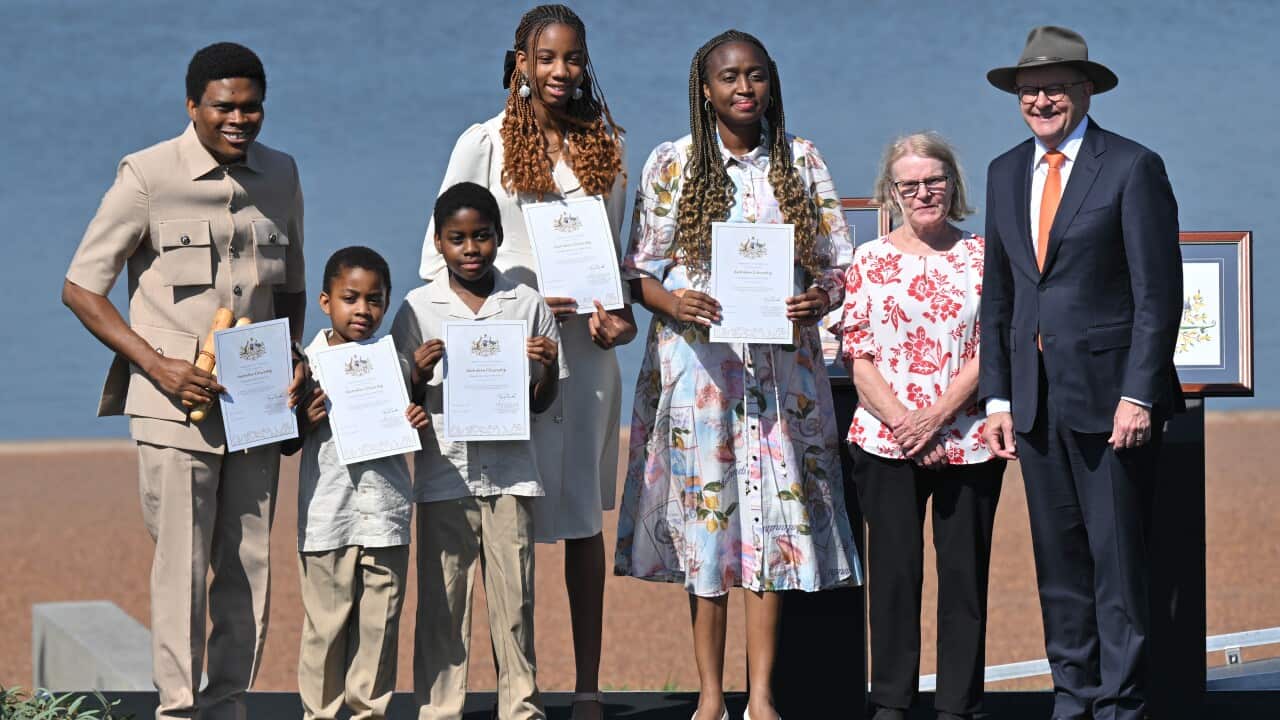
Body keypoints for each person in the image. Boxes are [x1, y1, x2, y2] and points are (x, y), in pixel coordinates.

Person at [614, 29, 862, 720]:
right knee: (709, 529)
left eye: (755, 76)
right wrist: (675, 301)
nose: (743, 88)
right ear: (705, 88)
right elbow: (640, 271)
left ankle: (761, 699)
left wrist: (819, 297)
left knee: (773, 528)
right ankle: (709, 696)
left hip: (782, 378)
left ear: (771, 83)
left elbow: (838, 265)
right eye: (729, 77)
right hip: (700, 374)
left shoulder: (802, 161)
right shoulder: (673, 162)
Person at [61, 42, 305, 720]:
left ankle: (227, 706)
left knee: (249, 568)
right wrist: (155, 363)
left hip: (257, 407)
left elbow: (292, 290)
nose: (239, 119)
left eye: (251, 106)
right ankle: (176, 710)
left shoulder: (281, 174)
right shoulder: (146, 175)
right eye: (224, 106)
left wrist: (296, 363)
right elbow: (82, 288)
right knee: (182, 571)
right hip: (174, 408)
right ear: (192, 106)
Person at [416, 7, 634, 716]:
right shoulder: (481, 143)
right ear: (520, 62)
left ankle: (589, 687)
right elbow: (435, 261)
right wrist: (520, 303)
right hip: (510, 367)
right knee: (508, 525)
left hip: (587, 362)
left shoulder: (607, 147)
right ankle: (514, 687)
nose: (561, 73)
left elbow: (616, 268)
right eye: (546, 59)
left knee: (581, 520)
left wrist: (614, 319)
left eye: (572, 59)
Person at [980, 26, 1183, 720]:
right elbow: (999, 295)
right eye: (1031, 89)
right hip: (1033, 407)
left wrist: (1138, 393)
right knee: (1058, 566)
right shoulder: (1004, 171)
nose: (1042, 98)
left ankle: (1121, 706)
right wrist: (997, 396)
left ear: (1085, 90)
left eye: (1057, 86)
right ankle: (1072, 700)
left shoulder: (1131, 166)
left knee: (1117, 568)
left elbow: (1159, 296)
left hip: (1110, 403)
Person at [840, 133, 1004, 720]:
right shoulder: (870, 259)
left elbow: (994, 349)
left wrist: (936, 420)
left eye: (934, 180)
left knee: (964, 582)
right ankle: (890, 702)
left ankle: (960, 706)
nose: (923, 193)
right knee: (893, 577)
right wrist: (907, 426)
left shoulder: (984, 256)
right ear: (892, 192)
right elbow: (857, 355)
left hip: (967, 440)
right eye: (909, 185)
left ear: (953, 184)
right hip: (887, 443)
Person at [394, 182, 566, 720]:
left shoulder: (528, 305)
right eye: (457, 239)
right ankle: (440, 708)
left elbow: (541, 403)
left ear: (498, 237)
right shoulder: (417, 308)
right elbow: (400, 402)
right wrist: (417, 375)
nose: (471, 250)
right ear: (439, 243)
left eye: (482, 237)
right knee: (444, 603)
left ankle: (520, 707)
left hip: (511, 476)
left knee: (514, 603)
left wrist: (545, 367)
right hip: (444, 475)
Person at [290, 247, 427, 720]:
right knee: (325, 629)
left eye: (374, 300)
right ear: (326, 301)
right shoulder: (305, 364)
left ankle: (369, 712)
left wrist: (416, 412)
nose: (363, 311)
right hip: (327, 517)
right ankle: (319, 713)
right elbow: (283, 444)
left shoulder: (397, 365)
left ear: (387, 305)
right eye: (351, 298)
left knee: (379, 627)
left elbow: (414, 420)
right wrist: (302, 422)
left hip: (386, 514)